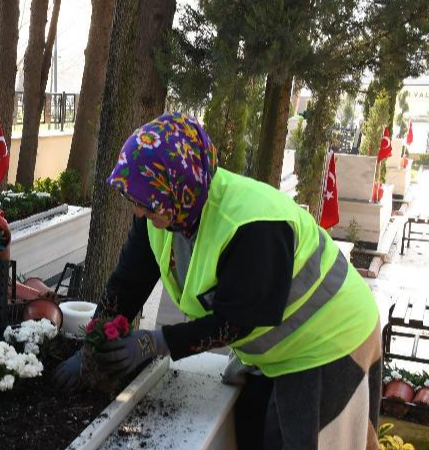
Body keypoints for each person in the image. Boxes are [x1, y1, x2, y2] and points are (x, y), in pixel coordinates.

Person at [53, 112, 382, 449]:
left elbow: (235, 322)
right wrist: (91, 346)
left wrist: (154, 343)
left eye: (146, 202)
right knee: (253, 430)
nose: (139, 212)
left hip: (328, 339)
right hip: (274, 345)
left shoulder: (253, 225)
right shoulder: (162, 212)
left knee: (301, 439)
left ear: (179, 186)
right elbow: (126, 285)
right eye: (135, 200)